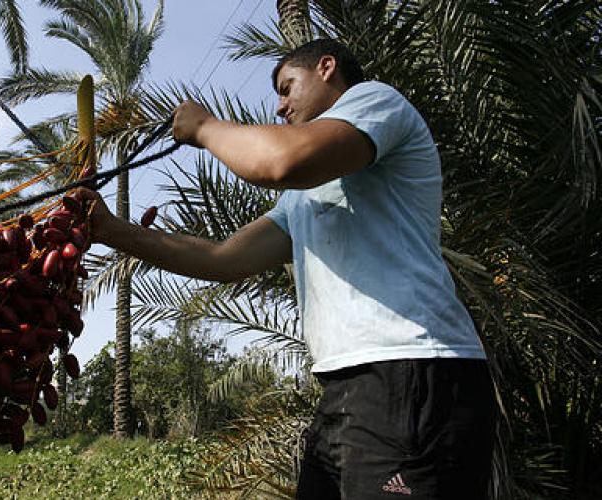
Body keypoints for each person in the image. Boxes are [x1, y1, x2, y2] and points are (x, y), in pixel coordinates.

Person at [76, 38, 493, 499]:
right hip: (346, 388)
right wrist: (110, 231)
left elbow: (281, 160)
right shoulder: (302, 198)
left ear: (327, 67)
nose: (279, 106)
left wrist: (206, 128)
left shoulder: (376, 101)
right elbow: (222, 260)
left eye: (287, 87)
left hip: (414, 370)